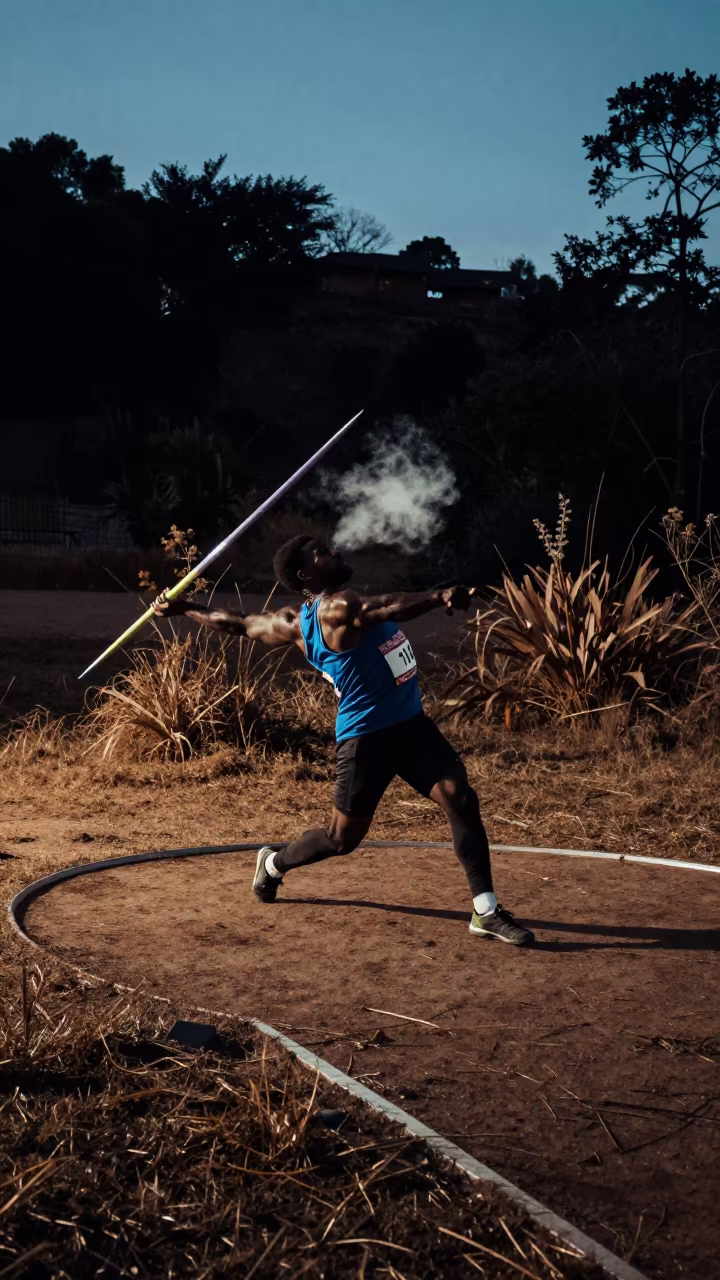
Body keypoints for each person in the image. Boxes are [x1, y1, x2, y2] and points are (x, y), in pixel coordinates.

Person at [153, 535, 534, 945]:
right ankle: (273, 863)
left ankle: (485, 910)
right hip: (366, 738)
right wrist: (440, 596)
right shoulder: (336, 610)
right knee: (341, 839)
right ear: (306, 574)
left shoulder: (297, 619)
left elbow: (240, 623)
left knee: (460, 797)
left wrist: (185, 608)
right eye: (322, 552)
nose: (334, 551)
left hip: (410, 725)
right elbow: (389, 605)